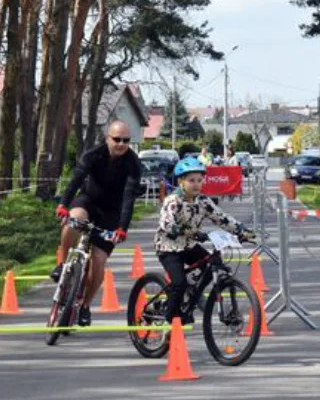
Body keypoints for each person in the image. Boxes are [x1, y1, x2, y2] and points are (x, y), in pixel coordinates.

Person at [53, 120, 143, 326]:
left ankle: (85, 306)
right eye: (117, 139)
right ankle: (62, 264)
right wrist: (63, 205)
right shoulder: (93, 155)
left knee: (99, 261)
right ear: (107, 138)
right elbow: (75, 180)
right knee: (73, 220)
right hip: (89, 201)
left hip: (112, 212)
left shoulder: (133, 164)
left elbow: (129, 198)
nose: (121, 144)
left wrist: (122, 228)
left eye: (126, 140)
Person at [155, 157, 255, 325]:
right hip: (169, 247)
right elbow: (166, 223)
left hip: (189, 245)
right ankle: (171, 317)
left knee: (211, 264)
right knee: (178, 283)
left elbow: (222, 218)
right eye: (191, 180)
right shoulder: (173, 201)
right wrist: (186, 231)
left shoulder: (203, 201)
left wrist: (241, 230)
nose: (196, 184)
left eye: (200, 180)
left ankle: (192, 294)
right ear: (181, 182)